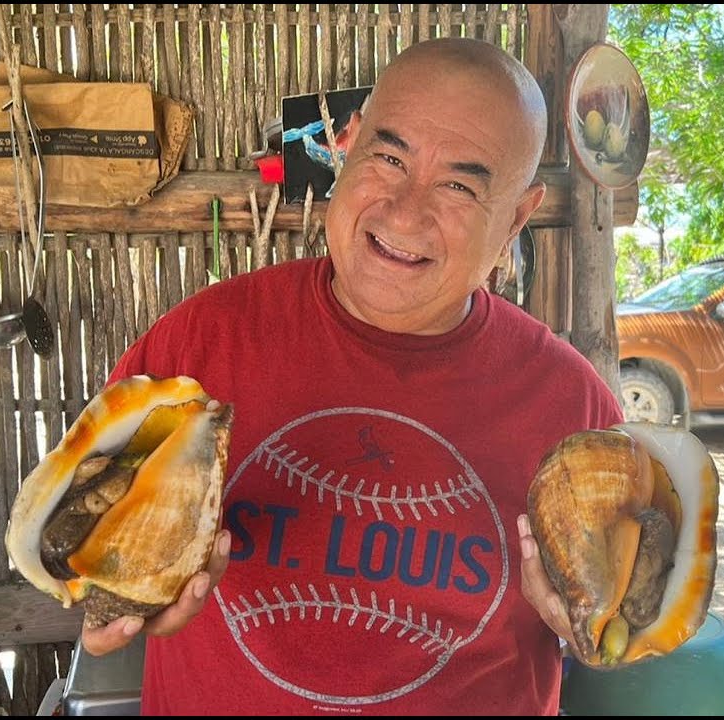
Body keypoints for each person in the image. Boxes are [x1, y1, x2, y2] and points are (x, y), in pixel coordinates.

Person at [82, 37, 624, 716]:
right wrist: (107, 599)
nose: (404, 210)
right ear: (349, 147)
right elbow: (86, 542)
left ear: (516, 215)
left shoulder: (575, 413)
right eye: (389, 158)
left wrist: (598, 631)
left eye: (460, 184)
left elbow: (620, 628)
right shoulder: (198, 343)